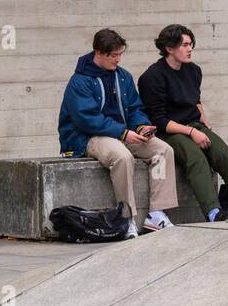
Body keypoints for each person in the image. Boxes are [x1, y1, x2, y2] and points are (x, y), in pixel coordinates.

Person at [57, 29, 178, 237]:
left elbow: (135, 108)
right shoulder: (80, 81)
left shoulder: (123, 77)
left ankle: (156, 214)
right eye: (113, 55)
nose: (118, 59)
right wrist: (122, 133)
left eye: (120, 54)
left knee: (163, 150)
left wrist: (141, 126)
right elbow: (86, 119)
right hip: (87, 136)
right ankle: (126, 218)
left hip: (121, 133)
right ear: (98, 53)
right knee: (122, 157)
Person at [138, 24, 228, 222]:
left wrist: (204, 122)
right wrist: (191, 132)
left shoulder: (193, 70)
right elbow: (158, 120)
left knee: (225, 155)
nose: (190, 49)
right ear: (169, 48)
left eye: (191, 44)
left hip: (193, 125)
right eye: (185, 45)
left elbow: (195, 100)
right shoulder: (152, 77)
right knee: (196, 159)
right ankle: (213, 212)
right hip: (168, 132)